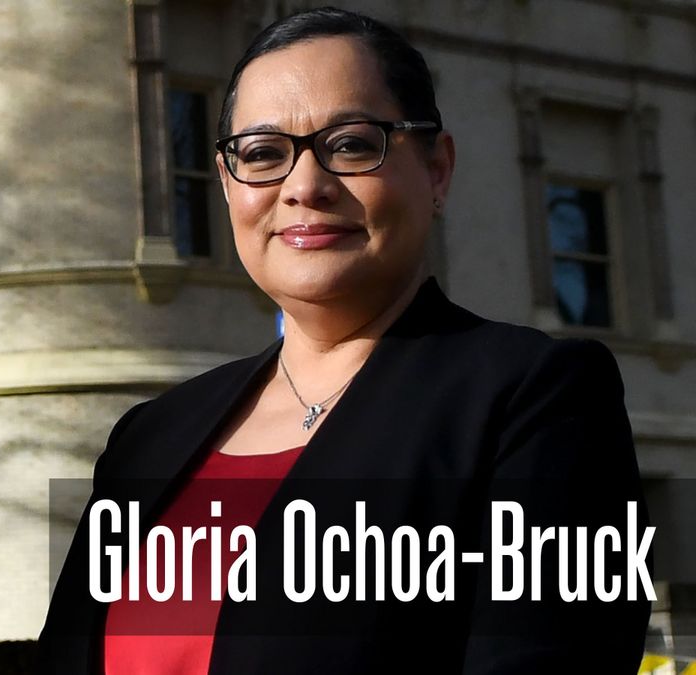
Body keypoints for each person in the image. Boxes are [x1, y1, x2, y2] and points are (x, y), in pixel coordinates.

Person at [38, 6, 651, 674]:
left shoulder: (537, 400)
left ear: (437, 169)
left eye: (354, 144)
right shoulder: (148, 438)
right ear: (227, 182)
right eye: (264, 154)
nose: (305, 186)